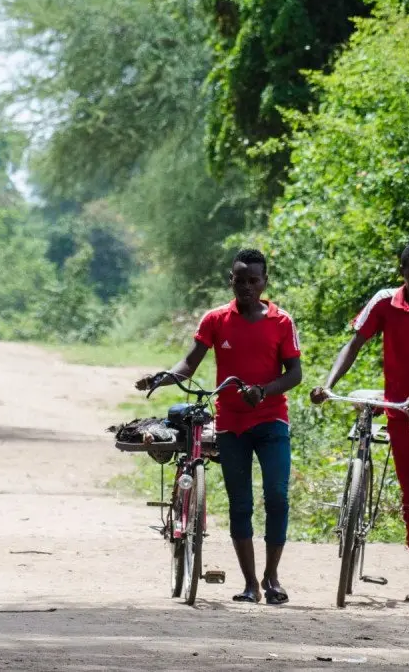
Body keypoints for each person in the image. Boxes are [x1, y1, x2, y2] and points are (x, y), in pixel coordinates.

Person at [135, 248, 303, 605]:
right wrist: (161, 378)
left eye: (253, 281)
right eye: (239, 280)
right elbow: (189, 364)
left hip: (272, 420)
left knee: (277, 495)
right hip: (231, 426)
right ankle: (250, 584)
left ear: (264, 282)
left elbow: (295, 374)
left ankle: (272, 577)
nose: (246, 287)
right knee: (240, 504)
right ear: (231, 280)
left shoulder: (282, 322)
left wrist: (264, 391)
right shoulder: (215, 319)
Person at [312, 241, 409, 603]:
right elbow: (354, 344)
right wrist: (328, 384)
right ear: (403, 274)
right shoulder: (384, 302)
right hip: (400, 412)